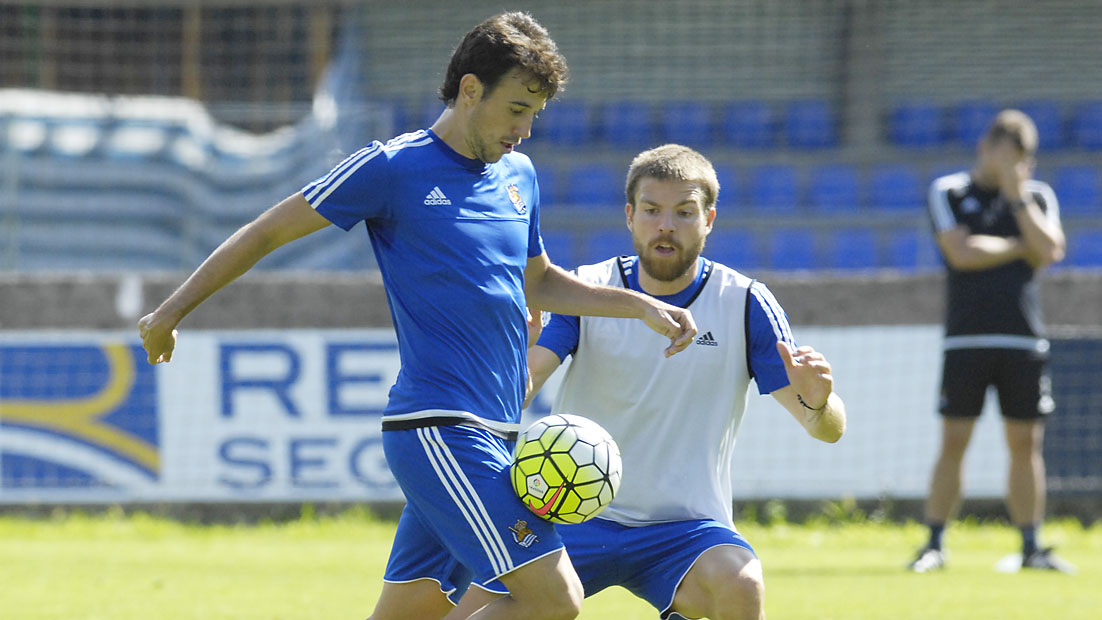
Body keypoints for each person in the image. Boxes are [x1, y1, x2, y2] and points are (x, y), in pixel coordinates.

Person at [137, 13, 697, 620]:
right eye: (515, 109)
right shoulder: (392, 167)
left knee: (414, 609)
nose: (525, 130)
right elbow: (266, 232)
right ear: (470, 90)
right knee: (554, 600)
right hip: (438, 428)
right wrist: (170, 313)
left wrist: (637, 306)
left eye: (534, 113)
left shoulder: (519, 177)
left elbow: (536, 280)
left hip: (499, 434)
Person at [449, 144, 846, 620]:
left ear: (709, 219)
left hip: (687, 528)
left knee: (740, 584)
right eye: (653, 211)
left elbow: (826, 429)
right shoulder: (588, 288)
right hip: (567, 513)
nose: (666, 226)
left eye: (684, 213)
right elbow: (521, 389)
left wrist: (820, 401)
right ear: (630, 216)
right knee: (463, 613)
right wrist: (511, 356)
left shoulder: (744, 302)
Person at [909, 109, 1073, 574]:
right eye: (1008, 158)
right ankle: (935, 544)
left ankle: (1030, 547)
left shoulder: (1036, 195)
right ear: (986, 149)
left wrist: (1018, 200)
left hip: (1023, 337)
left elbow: (1052, 250)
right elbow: (961, 253)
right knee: (954, 438)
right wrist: (1021, 246)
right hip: (966, 337)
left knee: (1025, 443)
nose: (1016, 167)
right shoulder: (950, 191)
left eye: (1023, 160)